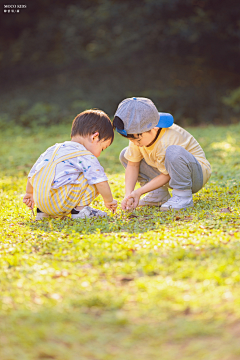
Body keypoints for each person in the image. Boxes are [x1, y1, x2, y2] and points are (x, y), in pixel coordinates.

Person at [113, 97, 211, 211]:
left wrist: (138, 192)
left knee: (173, 152)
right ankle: (158, 194)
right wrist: (128, 195)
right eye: (132, 140)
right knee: (125, 155)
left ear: (153, 128)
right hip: (170, 174)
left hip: (195, 176)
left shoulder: (167, 140)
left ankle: (183, 196)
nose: (135, 143)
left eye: (138, 140)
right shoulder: (139, 134)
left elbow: (167, 175)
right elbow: (132, 165)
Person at [23, 109, 117, 220]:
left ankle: (42, 213)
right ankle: (79, 211)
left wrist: (29, 193)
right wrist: (109, 201)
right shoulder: (85, 155)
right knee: (94, 175)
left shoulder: (53, 149)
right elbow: (100, 182)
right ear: (94, 137)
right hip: (60, 204)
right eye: (102, 148)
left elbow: (33, 173)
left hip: (41, 202)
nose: (99, 154)